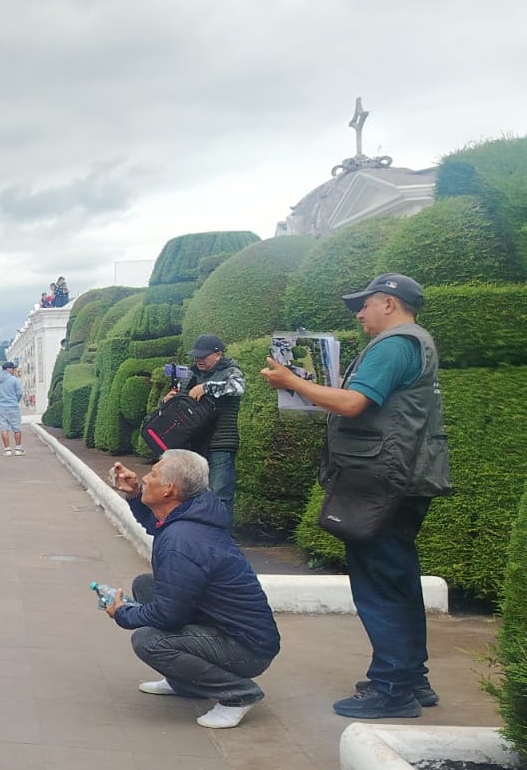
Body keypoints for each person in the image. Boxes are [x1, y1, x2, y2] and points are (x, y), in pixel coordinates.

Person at [259, 273, 450, 719]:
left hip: (379, 478)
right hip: (400, 476)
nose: (359, 314)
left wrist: (293, 382)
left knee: (380, 584)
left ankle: (392, 689)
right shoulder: (414, 342)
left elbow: (352, 404)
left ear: (389, 302)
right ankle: (409, 677)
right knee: (397, 578)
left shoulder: (394, 345)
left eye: (364, 305)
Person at [104, 451, 279, 728]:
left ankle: (239, 695)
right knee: (145, 585)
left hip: (246, 649)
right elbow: (156, 524)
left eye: (153, 476)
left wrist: (123, 613)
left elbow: (168, 615)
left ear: (170, 489)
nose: (145, 478)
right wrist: (136, 494)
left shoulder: (183, 540)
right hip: (228, 631)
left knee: (148, 641)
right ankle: (184, 682)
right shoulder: (190, 515)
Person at [162, 334, 244, 516]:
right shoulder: (191, 374)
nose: (199, 360)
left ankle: (221, 539)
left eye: (204, 356)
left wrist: (206, 387)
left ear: (218, 355)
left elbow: (238, 388)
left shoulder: (231, 371)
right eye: (196, 356)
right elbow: (181, 405)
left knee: (219, 495)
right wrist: (168, 401)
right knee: (190, 495)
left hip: (219, 443)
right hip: (192, 443)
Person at [0, 361, 25, 455]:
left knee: (4, 428)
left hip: (2, 407)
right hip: (13, 406)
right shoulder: (14, 380)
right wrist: (16, 401)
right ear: (8, 369)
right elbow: (19, 393)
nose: (14, 370)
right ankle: (18, 449)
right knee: (17, 428)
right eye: (13, 368)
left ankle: (7, 449)